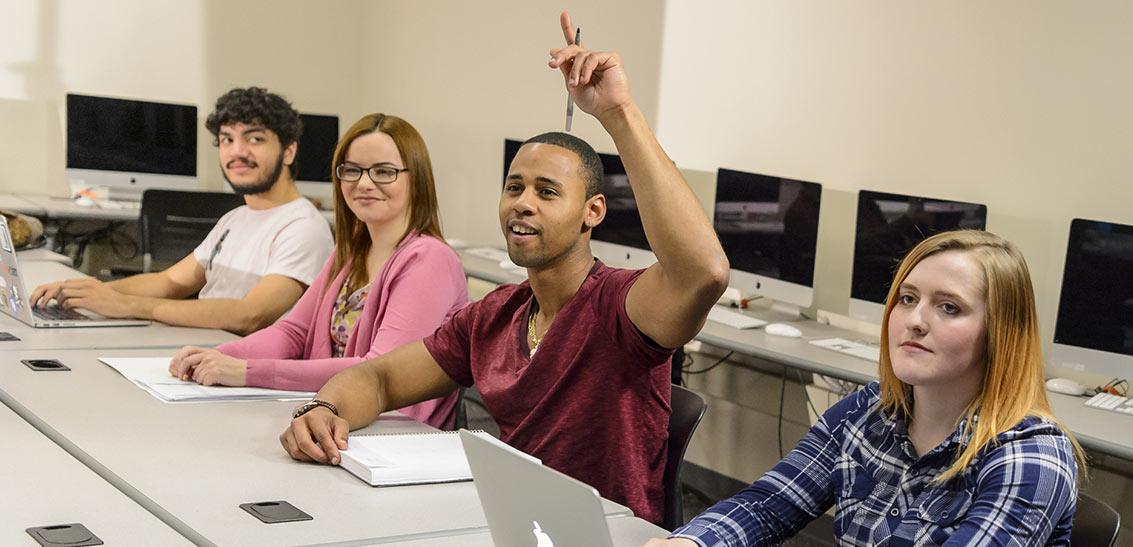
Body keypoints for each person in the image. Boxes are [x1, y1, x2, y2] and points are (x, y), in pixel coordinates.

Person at [277, 11, 729, 525]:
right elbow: (379, 378)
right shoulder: (493, 317)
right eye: (514, 187)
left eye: (547, 192)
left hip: (603, 534)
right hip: (513, 525)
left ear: (593, 212)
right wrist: (323, 410)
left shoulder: (622, 308)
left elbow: (705, 272)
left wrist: (619, 113)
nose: (523, 203)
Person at [651, 230, 1087, 546]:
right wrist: (692, 543)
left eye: (949, 307)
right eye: (908, 298)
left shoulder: (1029, 456)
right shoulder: (868, 411)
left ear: (1000, 335)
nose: (915, 320)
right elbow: (769, 505)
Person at [166, 113, 467, 429]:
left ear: (416, 178)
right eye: (351, 171)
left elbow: (374, 371)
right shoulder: (350, 250)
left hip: (389, 435)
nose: (364, 183)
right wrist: (217, 356)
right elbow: (293, 332)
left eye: (384, 171)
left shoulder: (430, 260)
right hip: (329, 415)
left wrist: (245, 371)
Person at [30, 87, 333, 335]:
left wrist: (127, 306)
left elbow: (249, 316)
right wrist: (85, 291)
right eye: (227, 139)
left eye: (255, 138)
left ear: (289, 150)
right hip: (202, 347)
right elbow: (171, 282)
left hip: (243, 368)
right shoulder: (236, 218)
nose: (237, 151)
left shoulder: (303, 227)